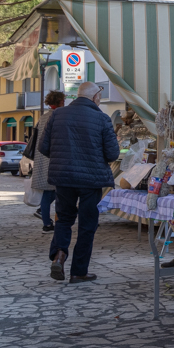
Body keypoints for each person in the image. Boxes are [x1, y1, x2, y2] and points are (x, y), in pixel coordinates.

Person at [39, 81, 119, 282]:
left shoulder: (57, 115)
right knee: (87, 225)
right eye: (99, 97)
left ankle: (59, 255)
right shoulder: (102, 119)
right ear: (94, 97)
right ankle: (78, 271)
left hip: (63, 177)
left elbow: (43, 147)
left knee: (63, 219)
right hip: (91, 180)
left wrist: (63, 157)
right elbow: (112, 153)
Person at [26, 91, 66, 232]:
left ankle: (46, 221)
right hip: (54, 156)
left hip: (41, 156)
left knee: (49, 190)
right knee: (57, 189)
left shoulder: (43, 117)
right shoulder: (59, 116)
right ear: (61, 101)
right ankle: (48, 220)